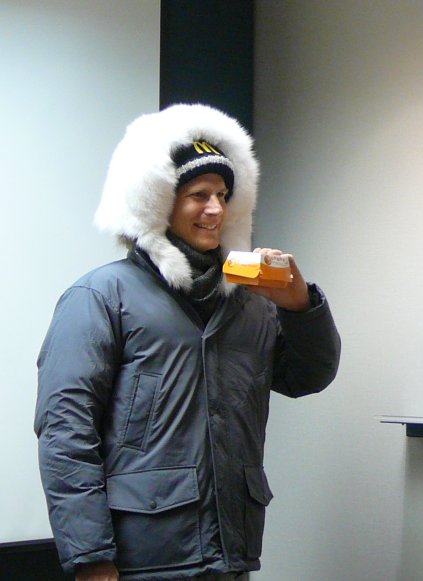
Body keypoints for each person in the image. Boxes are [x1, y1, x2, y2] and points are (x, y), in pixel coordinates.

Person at [35, 104, 342, 580]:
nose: (215, 208)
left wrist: (300, 307)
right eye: (199, 194)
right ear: (159, 203)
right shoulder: (100, 296)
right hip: (140, 558)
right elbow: (65, 431)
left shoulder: (251, 301)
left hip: (231, 553)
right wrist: (91, 555)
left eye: (223, 194)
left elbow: (308, 376)